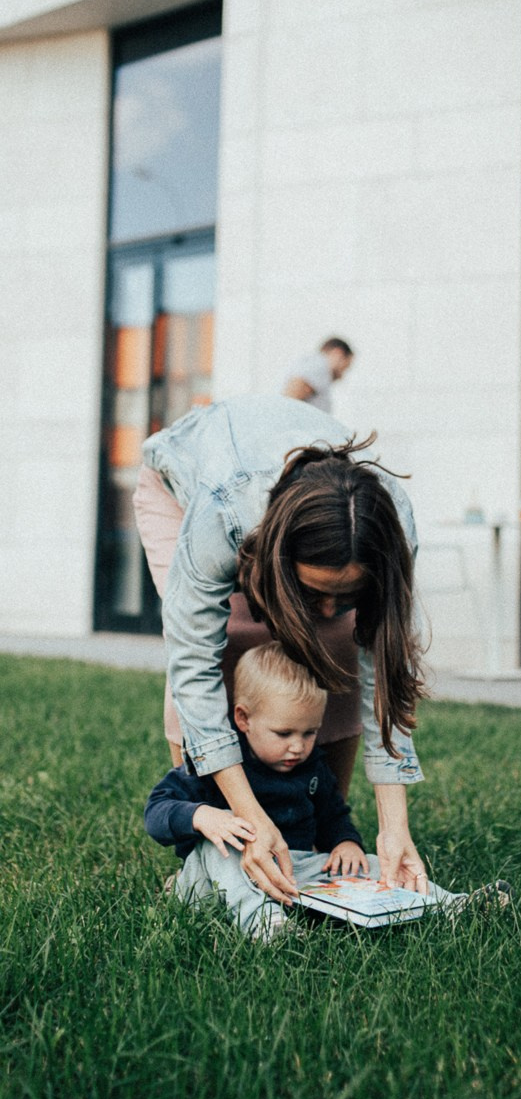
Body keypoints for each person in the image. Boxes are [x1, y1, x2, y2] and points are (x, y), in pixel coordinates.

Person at [132, 395, 427, 908]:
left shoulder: (390, 526)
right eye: (315, 591)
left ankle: (308, 831)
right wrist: (248, 816)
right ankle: (210, 855)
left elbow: (384, 676)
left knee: (331, 645)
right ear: (278, 557)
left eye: (347, 593)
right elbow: (193, 665)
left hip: (277, 503)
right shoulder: (221, 515)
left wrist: (392, 827)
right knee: (235, 647)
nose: (331, 607)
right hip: (180, 493)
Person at [144, 643, 468, 940]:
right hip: (219, 876)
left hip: (296, 869)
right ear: (243, 719)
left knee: (373, 864)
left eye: (309, 732)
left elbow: (331, 812)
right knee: (227, 844)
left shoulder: (309, 763)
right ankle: (266, 924)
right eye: (283, 733)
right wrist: (202, 816)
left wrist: (345, 842)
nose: (297, 746)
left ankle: (452, 904)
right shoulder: (215, 762)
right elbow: (156, 811)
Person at [282, 337, 354, 412]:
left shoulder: (313, 365)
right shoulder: (320, 366)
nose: (342, 376)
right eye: (345, 367)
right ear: (338, 353)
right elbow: (289, 398)